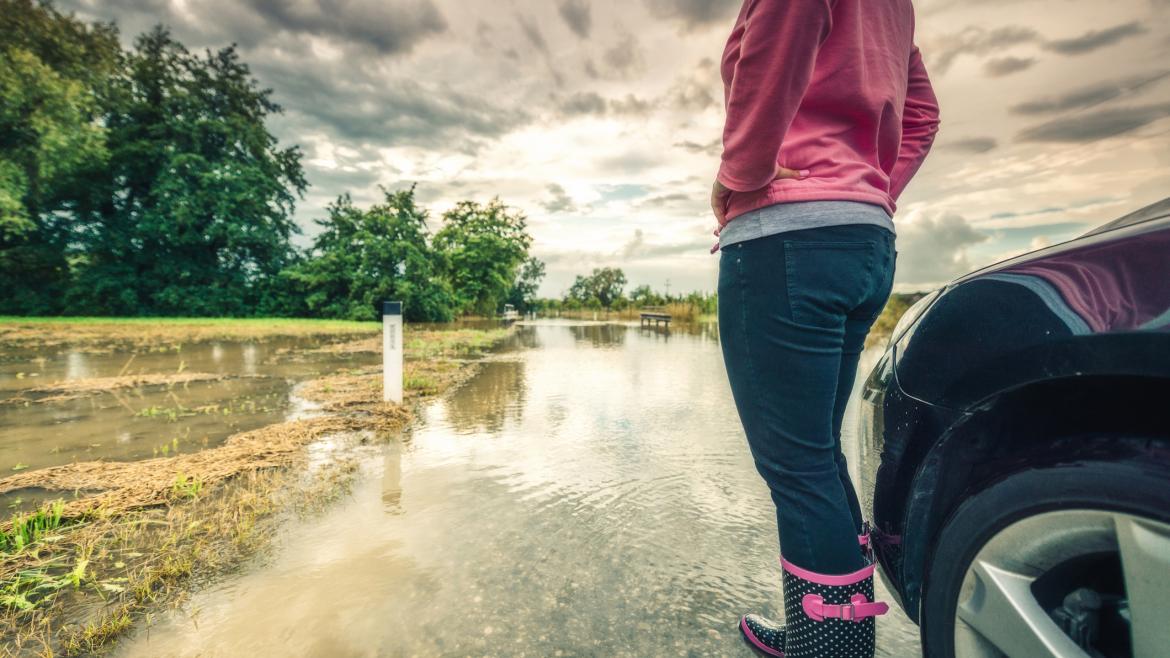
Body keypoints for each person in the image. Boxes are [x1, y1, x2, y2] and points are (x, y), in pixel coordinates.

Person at [712, 1, 940, 656]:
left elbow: (771, 59)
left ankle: (830, 648)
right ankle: (825, 633)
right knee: (816, 453)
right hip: (864, 239)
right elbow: (922, 113)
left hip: (787, 239)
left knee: (797, 465)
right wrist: (868, 186)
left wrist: (740, 176)